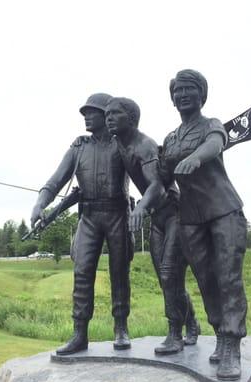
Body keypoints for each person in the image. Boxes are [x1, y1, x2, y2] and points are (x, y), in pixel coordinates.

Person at [161, 70, 248, 380]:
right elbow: (158, 178)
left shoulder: (211, 125)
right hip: (191, 218)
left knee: (228, 278)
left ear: (201, 95)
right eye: (177, 91)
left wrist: (196, 158)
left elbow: (215, 144)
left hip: (224, 211)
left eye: (189, 90)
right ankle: (220, 335)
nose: (182, 95)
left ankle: (232, 345)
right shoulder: (170, 139)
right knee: (207, 280)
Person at [30, 93, 132, 355]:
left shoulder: (123, 144)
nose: (86, 116)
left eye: (92, 111)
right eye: (85, 112)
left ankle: (121, 327)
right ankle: (79, 334)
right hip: (88, 217)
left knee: (119, 272)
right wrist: (40, 203)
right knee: (82, 273)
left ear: (106, 115)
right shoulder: (78, 148)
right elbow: (55, 181)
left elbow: (146, 176)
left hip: (117, 214)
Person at [105, 97, 199, 355]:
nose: (108, 118)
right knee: (166, 279)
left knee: (169, 273)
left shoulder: (143, 146)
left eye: (115, 114)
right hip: (157, 217)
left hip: (174, 214)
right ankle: (192, 323)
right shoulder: (118, 144)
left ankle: (175, 335)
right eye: (107, 114)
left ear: (132, 119)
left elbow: (157, 185)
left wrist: (140, 207)